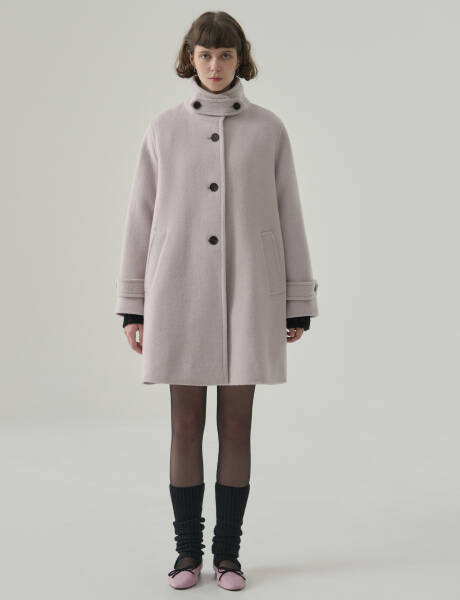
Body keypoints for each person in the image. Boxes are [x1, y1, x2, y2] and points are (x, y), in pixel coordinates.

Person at [114, 11, 319, 591]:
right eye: (204, 55)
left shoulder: (269, 129)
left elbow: (289, 212)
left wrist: (296, 300)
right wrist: (134, 305)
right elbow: (140, 217)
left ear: (239, 59)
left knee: (236, 424)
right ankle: (187, 555)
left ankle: (227, 555)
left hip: (250, 292)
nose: (214, 65)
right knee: (184, 424)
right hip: (177, 292)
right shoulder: (163, 128)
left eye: (225, 55)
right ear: (190, 58)